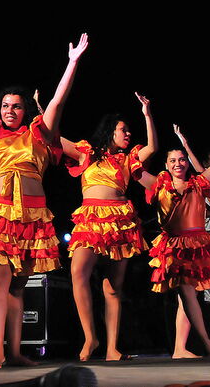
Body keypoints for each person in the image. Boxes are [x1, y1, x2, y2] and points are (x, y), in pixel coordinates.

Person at [0, 33, 89, 368]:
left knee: (17, 289)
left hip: (33, 219)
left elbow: (56, 103)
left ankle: (13, 351)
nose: (11, 110)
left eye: (17, 106)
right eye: (6, 106)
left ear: (25, 111)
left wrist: (72, 63)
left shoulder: (37, 134)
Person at [139, 118, 210, 358]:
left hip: (197, 244)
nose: (178, 163)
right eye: (173, 160)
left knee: (185, 296)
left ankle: (180, 348)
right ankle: (208, 344)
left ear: (187, 163)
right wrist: (147, 115)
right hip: (174, 245)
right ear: (166, 165)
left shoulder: (199, 183)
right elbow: (133, 168)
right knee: (187, 293)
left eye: (181, 159)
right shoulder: (158, 184)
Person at [60, 93, 156, 361]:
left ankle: (113, 348)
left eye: (128, 130)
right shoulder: (86, 154)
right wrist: (46, 112)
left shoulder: (128, 159)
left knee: (113, 287)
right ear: (109, 132)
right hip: (90, 217)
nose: (127, 134)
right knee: (78, 271)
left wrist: (147, 115)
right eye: (123, 130)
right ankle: (91, 338)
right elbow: (53, 137)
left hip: (120, 220)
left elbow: (152, 147)